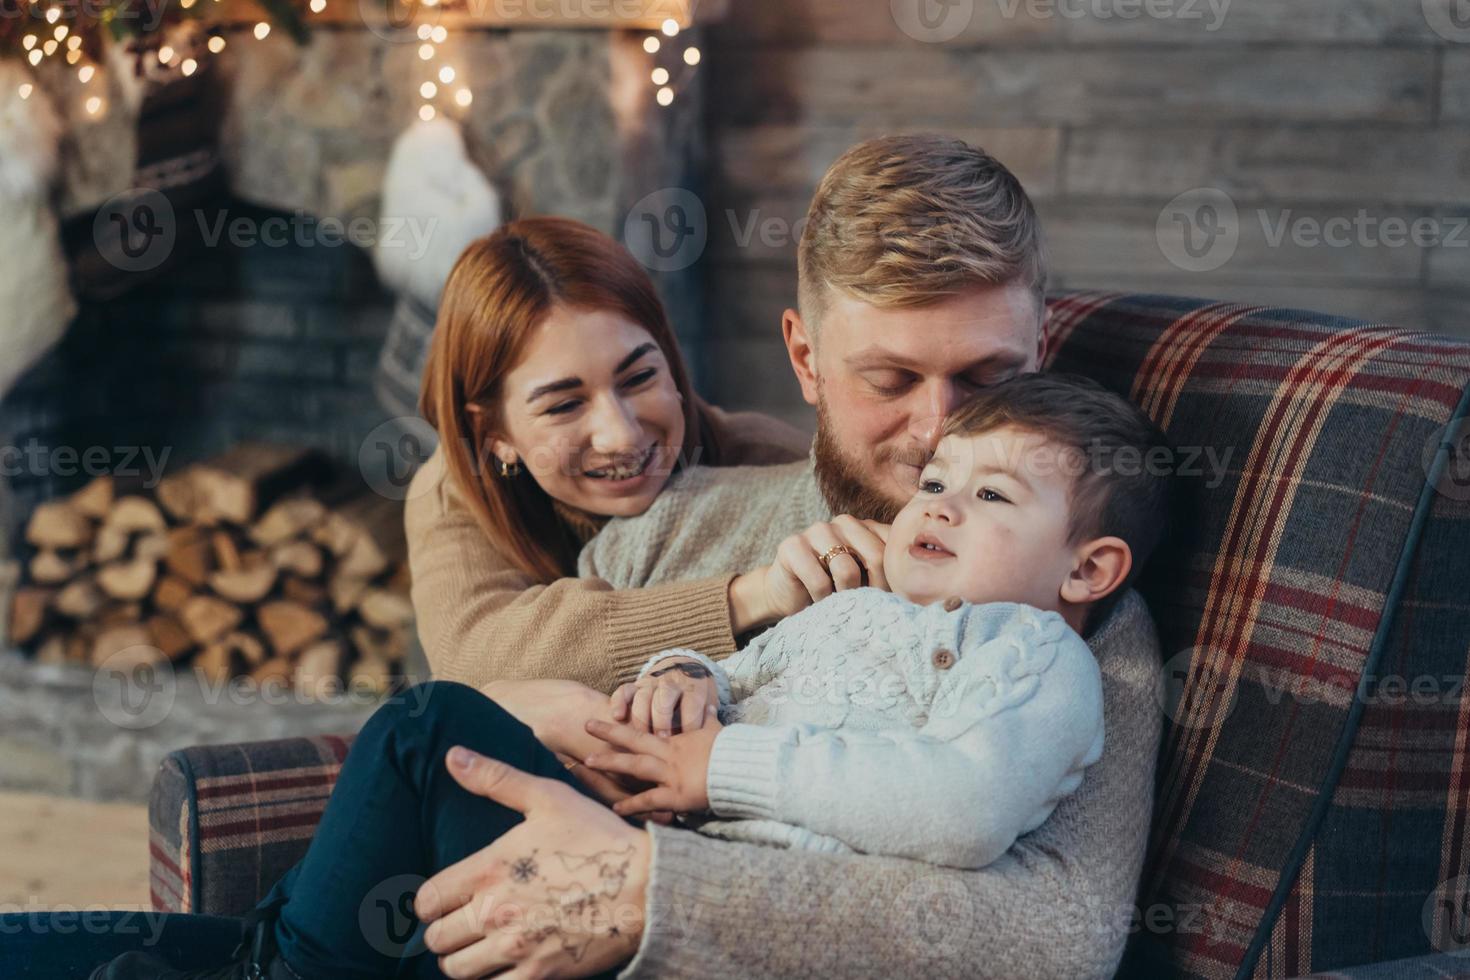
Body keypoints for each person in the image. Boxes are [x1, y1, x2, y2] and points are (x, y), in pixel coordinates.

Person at [69, 372, 1169, 980]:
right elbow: (742, 673)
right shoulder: (852, 602)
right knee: (430, 729)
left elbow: (966, 806)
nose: (936, 500)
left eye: (990, 497)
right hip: (628, 847)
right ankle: (270, 961)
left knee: (421, 735)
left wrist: (717, 765)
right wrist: (683, 679)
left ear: (1089, 565)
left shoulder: (1035, 656)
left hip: (690, 925)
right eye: (937, 480)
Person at [414, 134, 1167, 980]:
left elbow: (1058, 937)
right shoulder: (674, 522)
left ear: (1039, 345)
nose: (936, 432)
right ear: (805, 358)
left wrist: (656, 892)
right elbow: (490, 698)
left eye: (988, 377)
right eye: (889, 380)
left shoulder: (1068, 614)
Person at [402, 215, 819, 692]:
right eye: (564, 405)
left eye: (639, 378)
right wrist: (755, 593)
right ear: (492, 431)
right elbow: (471, 655)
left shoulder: (763, 458)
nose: (620, 435)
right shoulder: (454, 491)